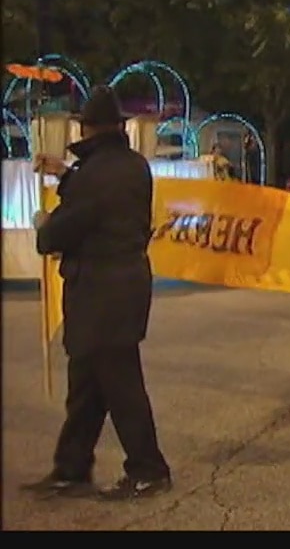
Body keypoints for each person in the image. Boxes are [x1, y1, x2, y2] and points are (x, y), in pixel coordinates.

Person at [23, 85, 171, 501]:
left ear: (87, 129)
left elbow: (63, 229)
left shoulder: (93, 175)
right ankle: (71, 468)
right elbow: (103, 202)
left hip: (99, 292)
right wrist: (66, 174)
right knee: (87, 385)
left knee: (121, 386)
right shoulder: (133, 166)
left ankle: (148, 469)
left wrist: (42, 224)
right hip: (124, 287)